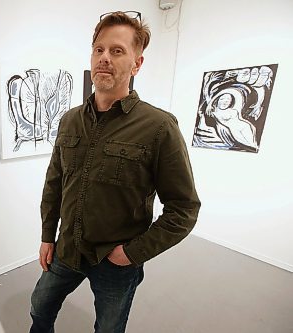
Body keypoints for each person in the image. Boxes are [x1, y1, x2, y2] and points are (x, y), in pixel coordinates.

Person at [29, 11, 200, 333]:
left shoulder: (159, 127)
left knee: (109, 328)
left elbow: (184, 209)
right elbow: (53, 184)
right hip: (66, 247)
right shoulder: (69, 119)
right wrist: (46, 236)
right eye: (99, 50)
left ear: (137, 64)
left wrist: (132, 253)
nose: (104, 58)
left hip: (114, 260)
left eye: (117, 51)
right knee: (39, 308)